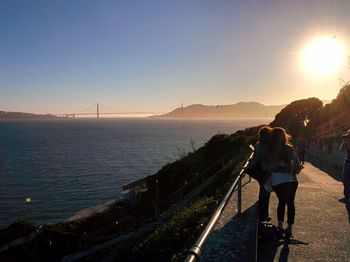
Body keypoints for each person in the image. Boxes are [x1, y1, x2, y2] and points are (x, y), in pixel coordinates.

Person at [269, 127, 300, 239]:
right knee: (291, 203)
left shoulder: (270, 149)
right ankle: (289, 229)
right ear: (284, 136)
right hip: (291, 180)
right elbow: (297, 165)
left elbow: (268, 165)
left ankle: (280, 226)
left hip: (277, 180)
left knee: (282, 202)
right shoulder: (289, 148)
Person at [249, 125, 273, 222]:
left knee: (263, 192)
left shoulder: (258, 145)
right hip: (267, 172)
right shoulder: (271, 146)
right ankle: (263, 216)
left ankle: (262, 216)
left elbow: (256, 159)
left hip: (260, 171)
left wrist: (248, 167)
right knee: (265, 193)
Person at [339, 129, 350, 204]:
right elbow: (341, 150)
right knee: (345, 181)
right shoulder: (347, 142)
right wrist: (344, 142)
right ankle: (346, 197)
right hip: (347, 163)